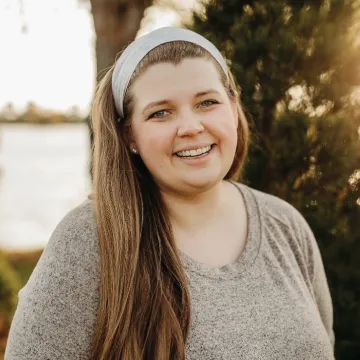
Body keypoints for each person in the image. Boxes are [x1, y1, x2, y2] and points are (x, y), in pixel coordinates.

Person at [5, 27, 335, 360]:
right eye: (160, 112)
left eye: (207, 102)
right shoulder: (88, 240)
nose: (191, 127)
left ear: (234, 108)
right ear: (129, 134)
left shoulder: (286, 225)